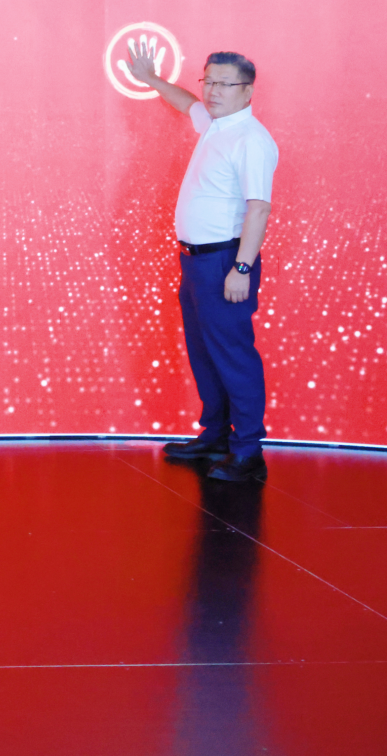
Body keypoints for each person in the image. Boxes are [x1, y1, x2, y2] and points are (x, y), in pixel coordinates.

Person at [126, 44, 279, 483]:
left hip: (225, 262)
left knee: (232, 355)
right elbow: (186, 102)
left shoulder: (251, 140)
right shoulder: (216, 125)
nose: (212, 91)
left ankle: (247, 451)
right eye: (208, 80)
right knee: (204, 353)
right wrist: (151, 79)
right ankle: (215, 436)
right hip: (196, 263)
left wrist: (242, 268)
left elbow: (259, 208)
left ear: (247, 91)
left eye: (224, 84)